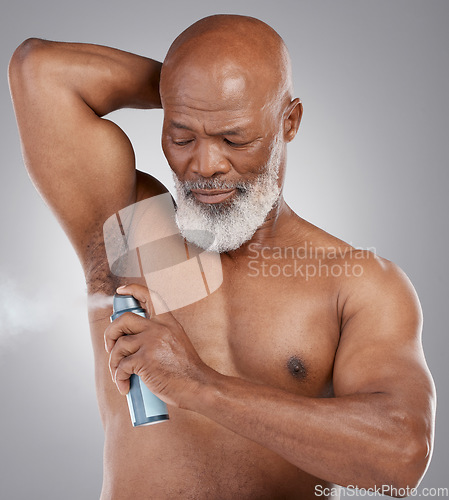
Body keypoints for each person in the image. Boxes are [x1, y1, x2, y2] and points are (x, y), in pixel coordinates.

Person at [9, 14, 435, 500]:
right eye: (182, 136)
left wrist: (199, 385)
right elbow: (39, 70)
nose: (205, 166)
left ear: (288, 121)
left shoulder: (356, 283)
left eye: (234, 137)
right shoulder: (126, 227)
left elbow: (401, 459)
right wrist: (187, 87)